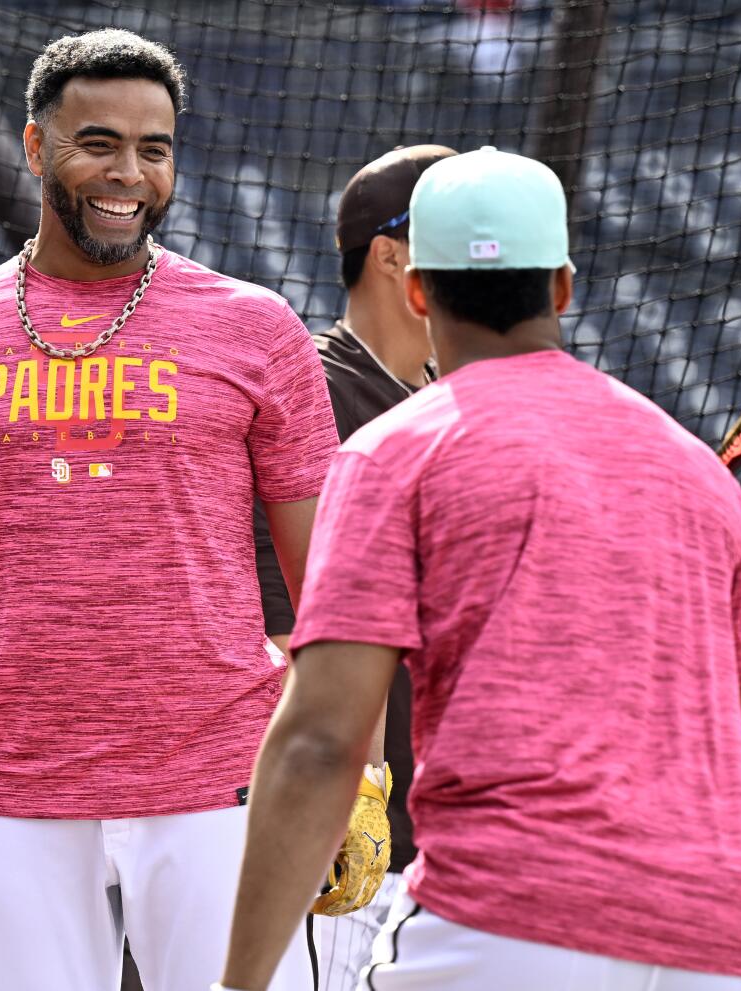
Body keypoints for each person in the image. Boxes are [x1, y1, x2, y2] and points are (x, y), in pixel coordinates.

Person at [0, 29, 342, 990]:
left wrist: (360, 770)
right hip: (11, 792)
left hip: (219, 784)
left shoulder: (256, 329)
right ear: (36, 145)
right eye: (98, 143)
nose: (128, 173)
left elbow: (335, 577)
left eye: (154, 148)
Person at [220, 147, 741, 991]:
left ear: (420, 290)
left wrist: (239, 982)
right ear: (564, 288)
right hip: (730, 929)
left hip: (509, 922)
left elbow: (323, 739)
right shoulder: (689, 465)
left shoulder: (396, 452)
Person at [253, 143, 454, 990]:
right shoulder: (312, 398)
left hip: (459, 847)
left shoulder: (460, 400)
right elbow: (278, 631)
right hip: (348, 845)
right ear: (391, 253)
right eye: (464, 233)